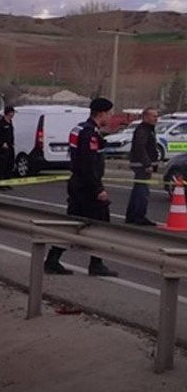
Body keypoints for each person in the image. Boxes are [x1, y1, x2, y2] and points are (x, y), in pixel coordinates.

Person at [45, 97, 118, 277]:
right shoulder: (89, 133)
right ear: (101, 113)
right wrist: (98, 189)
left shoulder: (81, 129)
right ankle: (96, 263)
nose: (111, 117)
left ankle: (53, 259)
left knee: (73, 223)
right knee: (99, 224)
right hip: (87, 186)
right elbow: (88, 164)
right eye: (109, 113)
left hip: (79, 184)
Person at [125, 107, 159, 226]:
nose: (156, 118)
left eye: (156, 116)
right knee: (142, 191)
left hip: (141, 164)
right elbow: (140, 147)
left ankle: (131, 216)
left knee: (137, 190)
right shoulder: (143, 130)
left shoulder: (148, 129)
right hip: (141, 165)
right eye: (153, 116)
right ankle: (139, 216)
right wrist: (147, 163)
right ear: (145, 117)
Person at [0, 106, 16, 190]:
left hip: (10, 146)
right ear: (8, 113)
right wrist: (2, 143)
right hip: (2, 148)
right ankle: (0, 184)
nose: (13, 114)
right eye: (12, 113)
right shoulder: (0, 123)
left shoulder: (10, 122)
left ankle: (7, 182)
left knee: (9, 165)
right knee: (2, 166)